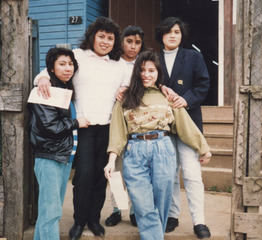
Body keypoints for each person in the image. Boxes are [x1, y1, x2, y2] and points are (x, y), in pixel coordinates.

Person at [33, 17, 126, 239]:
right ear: (92, 36)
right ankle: (79, 221)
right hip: (82, 127)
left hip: (107, 128)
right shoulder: (78, 55)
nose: (105, 41)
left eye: (110, 38)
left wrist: (124, 86)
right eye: (101, 36)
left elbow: (133, 81)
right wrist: (42, 79)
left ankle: (94, 219)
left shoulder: (119, 65)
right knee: (83, 176)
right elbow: (52, 69)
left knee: (101, 177)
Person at [104, 50, 211, 240]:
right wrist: (111, 160)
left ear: (158, 73)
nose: (146, 74)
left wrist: (203, 148)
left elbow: (185, 126)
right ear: (136, 72)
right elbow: (118, 132)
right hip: (134, 151)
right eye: (142, 70)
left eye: (151, 70)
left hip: (163, 148)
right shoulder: (125, 99)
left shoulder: (167, 97)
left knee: (162, 201)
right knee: (142, 203)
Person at [155, 17, 211, 239]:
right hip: (163, 125)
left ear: (181, 35)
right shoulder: (154, 59)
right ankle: (172, 215)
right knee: (168, 173)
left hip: (188, 123)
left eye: (177, 32)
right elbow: (147, 82)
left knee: (191, 173)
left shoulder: (193, 56)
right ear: (161, 35)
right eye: (168, 32)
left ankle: (199, 221)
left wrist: (186, 99)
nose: (172, 35)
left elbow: (203, 84)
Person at [28, 47, 86, 240]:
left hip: (62, 158)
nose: (67, 68)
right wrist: (78, 122)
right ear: (51, 68)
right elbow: (49, 126)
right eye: (62, 64)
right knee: (51, 213)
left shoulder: (63, 89)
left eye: (70, 64)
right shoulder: (45, 90)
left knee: (50, 212)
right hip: (49, 158)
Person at [105, 25, 146, 228]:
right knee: (117, 168)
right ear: (121, 42)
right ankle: (117, 208)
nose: (133, 46)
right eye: (129, 41)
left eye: (137, 42)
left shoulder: (143, 65)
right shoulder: (113, 64)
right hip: (117, 121)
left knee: (135, 170)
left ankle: (133, 210)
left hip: (139, 123)